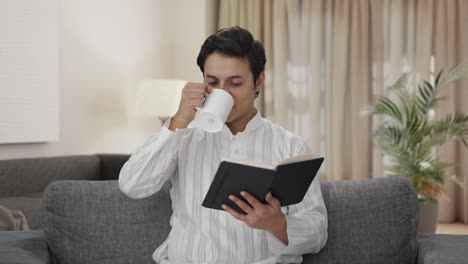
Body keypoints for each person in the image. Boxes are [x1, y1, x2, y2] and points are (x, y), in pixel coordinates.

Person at [118, 26, 327, 264]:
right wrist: (179, 120)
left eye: (235, 83)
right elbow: (131, 186)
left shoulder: (290, 145)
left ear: (258, 82)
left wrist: (278, 224)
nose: (222, 93)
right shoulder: (184, 134)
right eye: (212, 82)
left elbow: (318, 231)